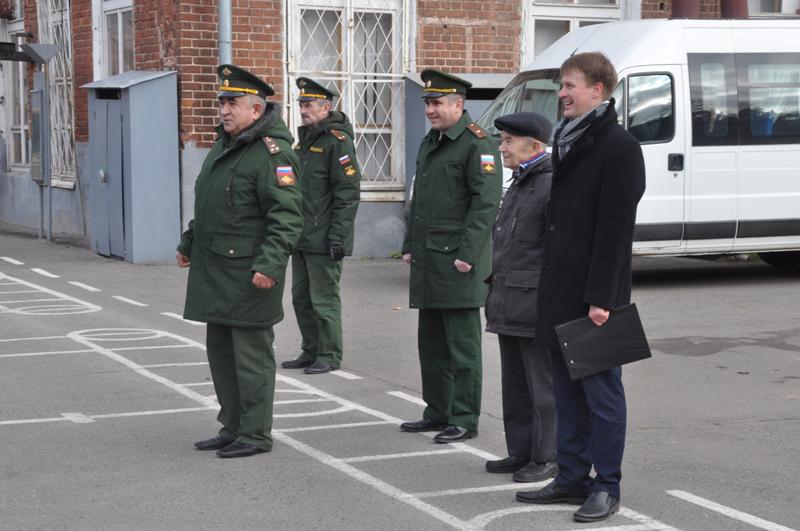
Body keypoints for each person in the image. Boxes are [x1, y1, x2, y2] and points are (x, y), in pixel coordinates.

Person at [514, 52, 645, 522]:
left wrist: (601, 299)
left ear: (598, 90)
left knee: (602, 396)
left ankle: (606, 485)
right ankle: (571, 477)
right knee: (566, 393)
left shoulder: (619, 147)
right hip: (559, 288)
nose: (562, 94)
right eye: (562, 85)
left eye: (570, 85)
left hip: (595, 295)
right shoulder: (567, 139)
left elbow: (615, 233)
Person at [176, 64, 303, 458]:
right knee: (222, 356)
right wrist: (189, 242)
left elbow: (287, 217)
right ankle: (232, 426)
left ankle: (255, 433)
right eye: (223, 103)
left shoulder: (272, 154)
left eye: (233, 103)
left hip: (249, 273)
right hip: (215, 270)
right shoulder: (225, 146)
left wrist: (269, 266)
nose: (225, 110)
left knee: (250, 359)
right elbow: (210, 204)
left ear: (256, 109)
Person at [400, 69, 502, 443]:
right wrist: (409, 243)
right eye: (428, 103)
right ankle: (437, 411)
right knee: (432, 345)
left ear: (458, 105)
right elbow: (420, 201)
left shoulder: (478, 144)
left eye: (437, 103)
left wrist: (468, 254)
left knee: (462, 347)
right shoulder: (432, 142)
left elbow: (485, 204)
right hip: (429, 259)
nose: (430, 110)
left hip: (458, 261)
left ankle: (463, 417)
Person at [484, 112, 558, 483]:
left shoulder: (549, 183)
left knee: (543, 387)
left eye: (509, 141)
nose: (502, 147)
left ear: (534, 145)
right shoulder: (520, 181)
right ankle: (521, 450)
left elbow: (554, 249)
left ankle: (547, 456)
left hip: (534, 302)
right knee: (515, 385)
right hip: (508, 298)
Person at [280, 78, 361, 375]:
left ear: (326, 108)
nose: (303, 110)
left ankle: (328, 353)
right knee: (301, 298)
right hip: (301, 236)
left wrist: (338, 236)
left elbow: (347, 193)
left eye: (308, 104)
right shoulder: (304, 141)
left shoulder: (337, 142)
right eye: (301, 104)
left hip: (324, 237)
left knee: (323, 299)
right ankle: (310, 349)